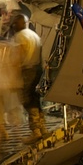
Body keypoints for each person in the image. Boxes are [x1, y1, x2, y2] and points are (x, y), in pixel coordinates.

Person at [11, 13, 49, 143]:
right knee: (36, 100)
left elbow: (18, 57)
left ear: (23, 23)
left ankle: (36, 132)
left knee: (28, 102)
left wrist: (14, 77)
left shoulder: (19, 36)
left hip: (27, 71)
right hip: (37, 70)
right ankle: (43, 129)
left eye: (16, 23)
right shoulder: (35, 36)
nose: (14, 25)